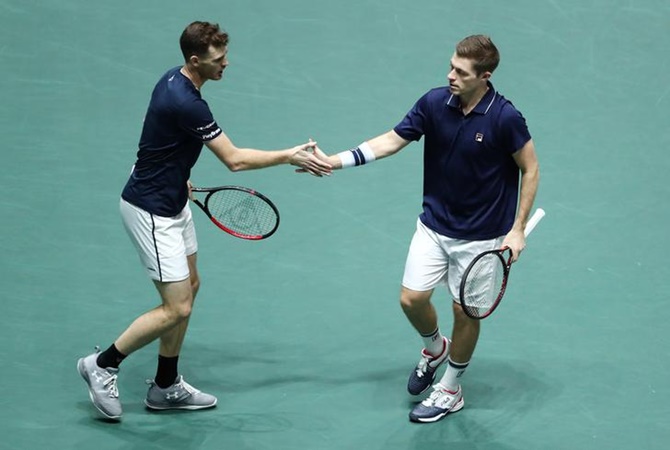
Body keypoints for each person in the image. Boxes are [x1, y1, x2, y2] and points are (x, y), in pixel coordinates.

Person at [77, 21, 332, 421]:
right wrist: (289, 155)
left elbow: (161, 142)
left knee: (191, 286)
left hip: (175, 196)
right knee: (176, 308)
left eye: (225, 55)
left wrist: (178, 176)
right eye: (218, 59)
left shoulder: (175, 81)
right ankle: (102, 364)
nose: (226, 64)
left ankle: (165, 386)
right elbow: (234, 160)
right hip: (151, 211)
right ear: (195, 60)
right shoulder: (188, 102)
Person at [309, 35, 539, 423]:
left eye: (461, 72)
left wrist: (516, 230)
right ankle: (435, 348)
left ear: (484, 77)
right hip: (433, 226)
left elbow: (530, 168)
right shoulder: (435, 102)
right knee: (411, 300)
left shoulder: (505, 118)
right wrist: (335, 161)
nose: (450, 75)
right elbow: (390, 141)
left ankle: (450, 388)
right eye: (451, 66)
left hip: (482, 237)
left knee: (465, 312)